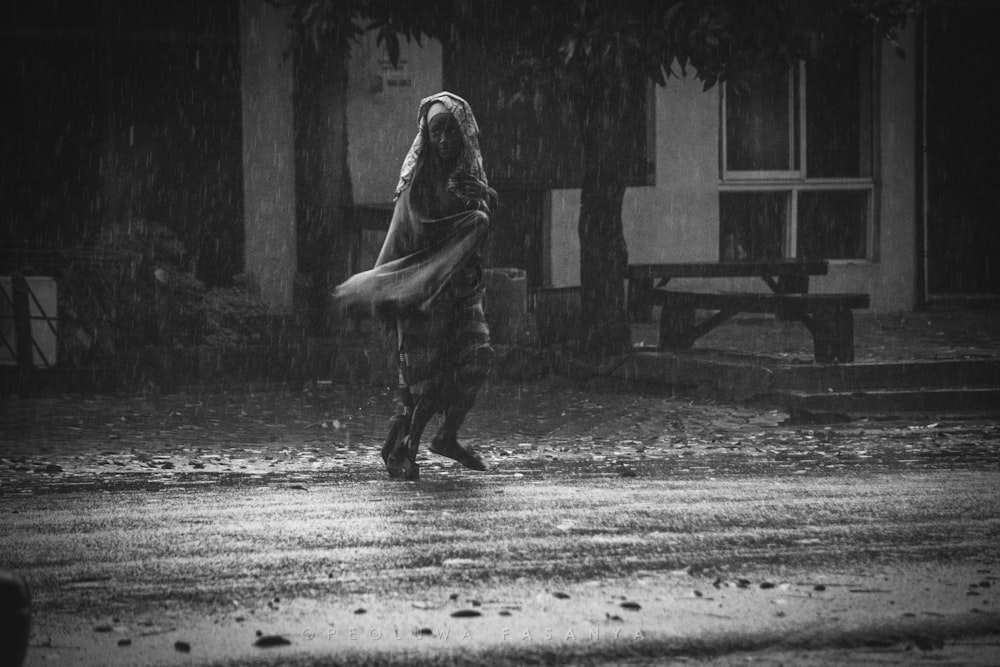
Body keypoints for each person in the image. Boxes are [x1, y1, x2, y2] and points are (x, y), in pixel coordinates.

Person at [334, 92, 497, 480]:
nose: (443, 140)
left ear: (465, 133)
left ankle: (447, 436)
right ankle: (402, 450)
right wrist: (408, 286)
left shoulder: (471, 178)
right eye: (435, 132)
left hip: (461, 293)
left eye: (451, 131)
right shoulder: (417, 183)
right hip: (420, 293)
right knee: (422, 382)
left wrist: (483, 206)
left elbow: (473, 237)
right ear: (426, 134)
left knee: (477, 357)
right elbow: (414, 238)